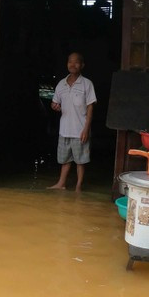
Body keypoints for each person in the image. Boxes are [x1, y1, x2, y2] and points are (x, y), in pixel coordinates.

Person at [48, 52, 97, 192]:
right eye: (70, 61)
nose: (72, 64)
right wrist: (54, 106)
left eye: (76, 62)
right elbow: (55, 103)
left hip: (80, 129)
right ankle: (61, 183)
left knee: (80, 161)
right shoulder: (61, 84)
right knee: (65, 160)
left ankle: (78, 186)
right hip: (64, 129)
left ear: (82, 65)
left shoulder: (87, 84)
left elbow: (90, 107)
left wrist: (86, 129)